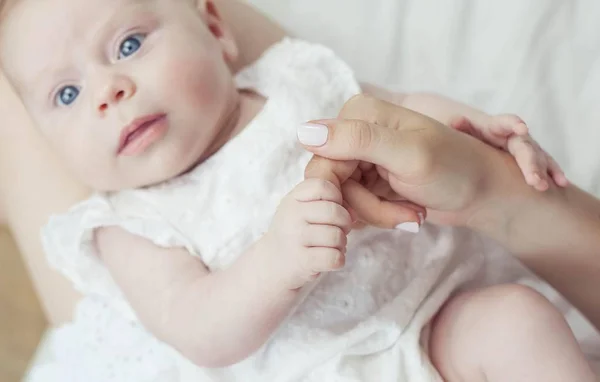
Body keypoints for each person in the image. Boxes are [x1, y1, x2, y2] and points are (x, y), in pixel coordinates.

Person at [0, 1, 595, 382]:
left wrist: (471, 129)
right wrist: (276, 261)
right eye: (67, 96)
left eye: (128, 45)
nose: (109, 90)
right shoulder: (128, 224)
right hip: (334, 366)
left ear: (214, 28)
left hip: (445, 307)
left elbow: (399, 112)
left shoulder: (295, 78)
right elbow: (197, 327)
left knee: (522, 322)